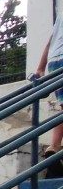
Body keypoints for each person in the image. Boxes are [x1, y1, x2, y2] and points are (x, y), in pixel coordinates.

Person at [35, 18, 63, 178]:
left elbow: (48, 43)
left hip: (54, 62)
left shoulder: (60, 17)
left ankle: (54, 146)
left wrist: (40, 68)